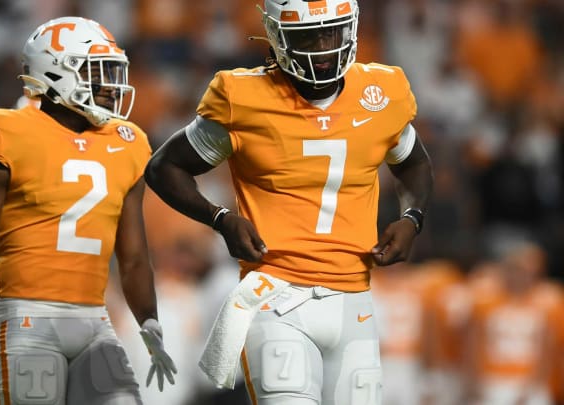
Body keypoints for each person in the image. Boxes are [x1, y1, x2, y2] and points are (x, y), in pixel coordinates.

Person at [144, 1, 434, 404]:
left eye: (330, 32)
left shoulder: (380, 92)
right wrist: (220, 218)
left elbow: (415, 164)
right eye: (307, 36)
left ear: (350, 29)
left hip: (355, 298)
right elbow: (164, 167)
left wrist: (412, 217)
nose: (322, 48)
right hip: (275, 297)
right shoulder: (242, 97)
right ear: (277, 37)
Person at [0, 16, 176, 405]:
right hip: (25, 318)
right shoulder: (4, 131)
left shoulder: (127, 141)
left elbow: (133, 256)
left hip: (95, 322)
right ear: (55, 70)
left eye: (112, 71)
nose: (110, 85)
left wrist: (148, 321)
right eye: (96, 71)